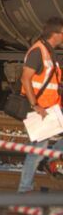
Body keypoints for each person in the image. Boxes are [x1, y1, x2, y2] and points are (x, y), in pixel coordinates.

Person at [18, 17, 63, 193]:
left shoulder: (50, 52)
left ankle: (50, 160)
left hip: (52, 109)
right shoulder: (38, 51)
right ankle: (24, 189)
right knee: (36, 152)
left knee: (38, 152)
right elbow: (25, 78)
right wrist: (35, 105)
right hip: (40, 111)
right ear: (56, 33)